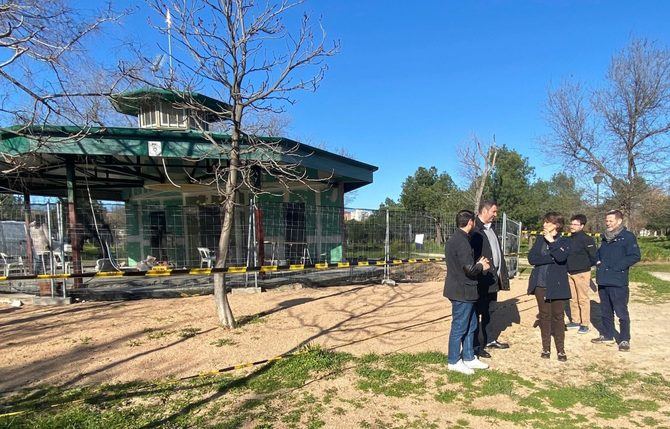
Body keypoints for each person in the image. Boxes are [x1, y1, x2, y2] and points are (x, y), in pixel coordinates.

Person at [444, 209, 491, 375]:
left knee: (471, 325)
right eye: (473, 221)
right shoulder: (462, 242)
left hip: (463, 290)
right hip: (462, 291)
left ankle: (469, 357)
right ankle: (453, 360)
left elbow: (463, 264)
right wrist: (481, 266)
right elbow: (469, 270)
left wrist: (476, 263)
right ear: (470, 222)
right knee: (459, 326)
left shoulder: (457, 238)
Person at [591, 210, 640, 352]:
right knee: (605, 310)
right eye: (606, 221)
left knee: (621, 312)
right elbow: (597, 254)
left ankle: (624, 339)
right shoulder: (604, 237)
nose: (608, 223)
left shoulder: (628, 237)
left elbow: (634, 256)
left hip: (618, 281)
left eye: (611, 221)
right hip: (603, 280)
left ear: (619, 221)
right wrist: (597, 262)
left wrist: (617, 267)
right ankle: (607, 334)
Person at [527, 212, 571, 361]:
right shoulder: (539, 240)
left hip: (557, 285)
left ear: (556, 225)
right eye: (544, 222)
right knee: (544, 316)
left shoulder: (564, 241)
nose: (544, 224)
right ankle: (546, 348)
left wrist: (551, 242)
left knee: (558, 316)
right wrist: (550, 258)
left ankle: (561, 350)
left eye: (547, 222)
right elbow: (532, 259)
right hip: (540, 284)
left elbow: (561, 257)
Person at [471, 200, 511, 359]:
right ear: (485, 211)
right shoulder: (475, 229)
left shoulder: (491, 228)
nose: (496, 215)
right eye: (494, 212)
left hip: (493, 280)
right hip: (481, 280)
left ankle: (489, 340)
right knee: (476, 314)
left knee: (489, 312)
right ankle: (475, 346)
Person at [566, 214, 597, 334]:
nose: (572, 226)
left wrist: (585, 267)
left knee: (583, 298)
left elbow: (593, 256)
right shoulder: (569, 239)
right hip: (569, 272)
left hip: (582, 273)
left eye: (575, 224)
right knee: (572, 298)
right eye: (571, 224)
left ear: (582, 226)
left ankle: (585, 324)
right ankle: (575, 320)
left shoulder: (587, 239)